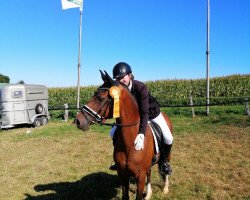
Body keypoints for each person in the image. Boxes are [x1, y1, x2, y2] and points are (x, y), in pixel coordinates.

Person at [109, 62, 173, 175]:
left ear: (129, 75)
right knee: (112, 132)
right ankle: (119, 160)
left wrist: (142, 133)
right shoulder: (118, 90)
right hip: (134, 118)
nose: (121, 80)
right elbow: (117, 111)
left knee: (168, 138)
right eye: (118, 78)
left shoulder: (140, 87)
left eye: (123, 77)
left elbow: (144, 112)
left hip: (152, 114)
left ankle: (164, 162)